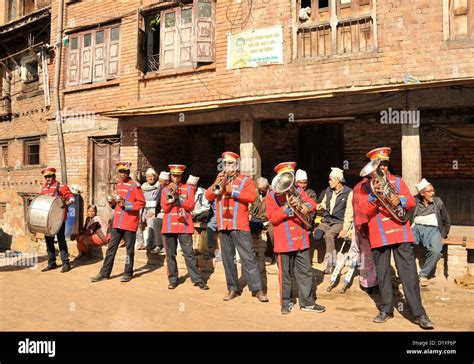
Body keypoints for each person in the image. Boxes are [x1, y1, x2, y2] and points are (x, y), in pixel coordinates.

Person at [357, 147, 434, 329]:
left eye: (384, 164)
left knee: (409, 275)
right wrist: (374, 198)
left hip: (400, 232)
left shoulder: (397, 181)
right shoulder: (364, 187)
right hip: (379, 235)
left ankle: (419, 313)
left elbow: (411, 201)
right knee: (383, 275)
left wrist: (400, 201)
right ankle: (386, 310)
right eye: (378, 165)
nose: (382, 168)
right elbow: (364, 213)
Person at [205, 151, 268, 302]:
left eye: (231, 164)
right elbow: (208, 196)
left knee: (248, 258)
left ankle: (258, 290)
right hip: (223, 225)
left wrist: (231, 190)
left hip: (239, 224)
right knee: (228, 259)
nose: (228, 166)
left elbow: (252, 197)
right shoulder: (219, 178)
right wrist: (216, 184)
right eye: (225, 163)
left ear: (237, 165)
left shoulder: (245, 180)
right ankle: (233, 288)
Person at [266, 162, 325, 315]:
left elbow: (312, 203)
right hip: (284, 240)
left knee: (305, 272)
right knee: (285, 273)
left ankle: (307, 302)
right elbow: (272, 218)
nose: (289, 182)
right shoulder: (271, 195)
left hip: (301, 238)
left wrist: (307, 207)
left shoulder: (298, 190)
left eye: (291, 177)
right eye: (286, 177)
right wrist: (286, 208)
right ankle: (286, 302)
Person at [91, 161, 146, 283]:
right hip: (117, 222)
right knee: (111, 248)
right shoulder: (118, 185)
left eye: (124, 172)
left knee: (129, 251)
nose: (122, 174)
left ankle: (128, 272)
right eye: (120, 172)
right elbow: (118, 203)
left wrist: (127, 205)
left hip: (130, 223)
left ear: (128, 172)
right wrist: (113, 204)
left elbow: (142, 203)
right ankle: (104, 273)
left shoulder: (135, 186)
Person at [161, 164, 208, 290]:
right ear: (170, 176)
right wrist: (171, 197)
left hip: (184, 225)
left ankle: (197, 279)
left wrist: (178, 199)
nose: (175, 178)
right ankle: (172, 279)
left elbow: (190, 206)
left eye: (178, 176)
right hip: (169, 225)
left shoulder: (188, 189)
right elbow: (165, 208)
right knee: (170, 254)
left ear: (182, 176)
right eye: (174, 176)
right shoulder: (165, 189)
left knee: (189, 253)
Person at [411, 178, 451, 287]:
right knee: (406, 246)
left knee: (437, 251)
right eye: (430, 191)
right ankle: (407, 274)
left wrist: (443, 235)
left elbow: (447, 220)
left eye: (433, 190)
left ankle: (423, 275)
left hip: (433, 229)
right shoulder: (414, 201)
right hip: (416, 228)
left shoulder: (438, 202)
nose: (433, 193)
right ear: (422, 193)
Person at [314, 167, 353, 274]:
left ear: (338, 180)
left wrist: (345, 229)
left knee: (328, 235)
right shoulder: (328, 191)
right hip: (327, 220)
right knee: (317, 235)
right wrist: (320, 206)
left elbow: (349, 213)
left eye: (331, 179)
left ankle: (331, 263)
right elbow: (324, 202)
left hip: (339, 221)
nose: (329, 181)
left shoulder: (349, 192)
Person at [39, 167, 76, 273]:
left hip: (59, 218)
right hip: (47, 219)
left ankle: (66, 263)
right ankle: (51, 262)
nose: (47, 178)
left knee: (61, 239)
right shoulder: (44, 188)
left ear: (54, 176)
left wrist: (66, 204)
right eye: (46, 177)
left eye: (49, 176)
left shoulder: (61, 187)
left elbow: (72, 198)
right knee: (49, 240)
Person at [137, 168, 161, 251]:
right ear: (146, 178)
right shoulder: (143, 187)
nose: (151, 178)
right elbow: (140, 200)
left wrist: (153, 211)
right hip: (144, 208)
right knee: (137, 220)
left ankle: (149, 243)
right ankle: (140, 242)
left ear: (156, 177)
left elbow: (158, 201)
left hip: (154, 209)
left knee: (151, 222)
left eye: (152, 176)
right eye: (148, 176)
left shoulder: (158, 187)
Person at [149, 171, 170, 254]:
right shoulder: (160, 188)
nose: (159, 183)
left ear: (167, 182)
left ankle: (166, 247)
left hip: (170, 213)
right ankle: (158, 245)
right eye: (159, 181)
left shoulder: (170, 188)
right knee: (154, 221)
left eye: (161, 181)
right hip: (160, 212)